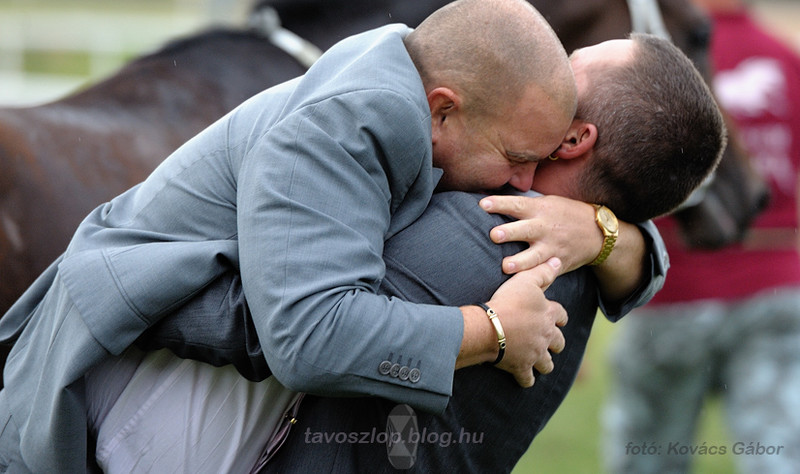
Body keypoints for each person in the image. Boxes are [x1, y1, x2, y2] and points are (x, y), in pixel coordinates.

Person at [0, 0, 588, 473]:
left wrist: (603, 233)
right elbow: (310, 339)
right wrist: (493, 331)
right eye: (517, 157)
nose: (526, 183)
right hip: (102, 394)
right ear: (442, 110)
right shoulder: (357, 122)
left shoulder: (398, 97)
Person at [107, 33, 726, 472]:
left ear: (571, 137)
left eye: (572, 64)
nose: (556, 62)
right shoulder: (585, 247)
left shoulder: (483, 236)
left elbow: (281, 327)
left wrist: (119, 282)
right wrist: (612, 234)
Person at [604, 0, 800, 473]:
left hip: (674, 293)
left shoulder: (646, 64)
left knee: (650, 461)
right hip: (777, 289)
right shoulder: (787, 60)